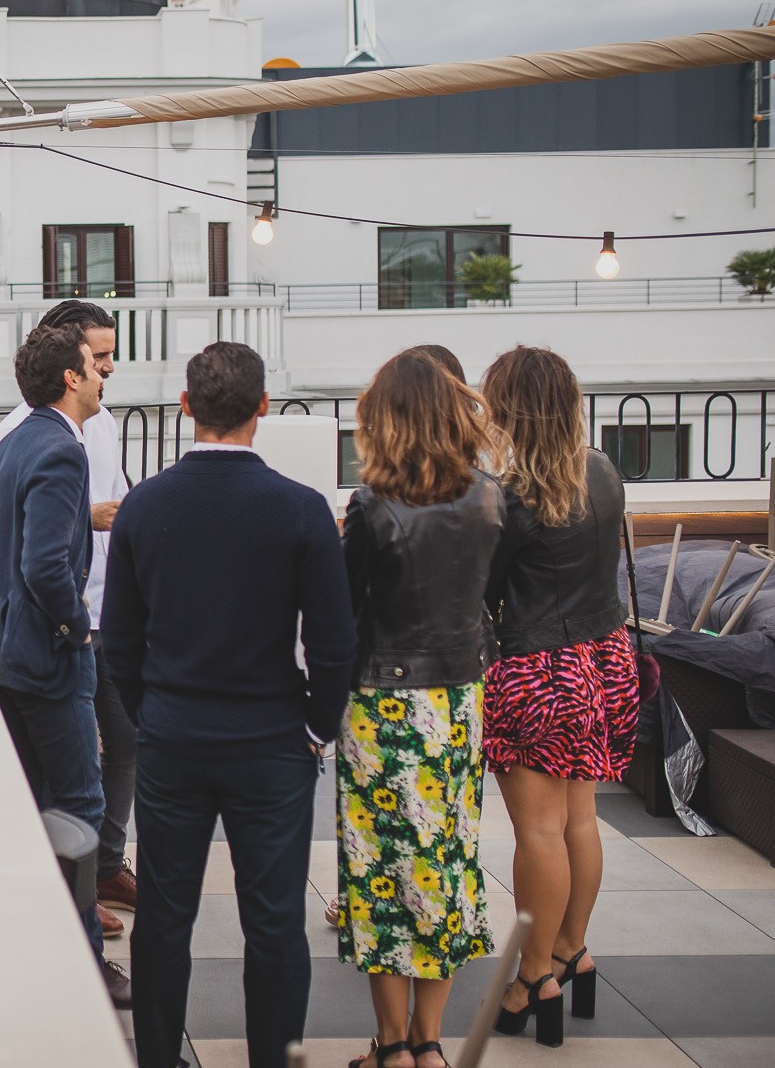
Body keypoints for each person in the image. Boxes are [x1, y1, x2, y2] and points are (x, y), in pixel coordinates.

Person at [102, 340, 356, 1068]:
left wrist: (153, 712)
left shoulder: (143, 507)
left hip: (174, 738)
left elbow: (119, 641)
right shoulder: (303, 511)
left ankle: (158, 1058)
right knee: (275, 925)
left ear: (186, 408)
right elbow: (334, 642)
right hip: (273, 739)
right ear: (263, 409)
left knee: (165, 918)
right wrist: (316, 727)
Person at [336, 349, 505, 1068]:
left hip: (381, 705)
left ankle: (392, 1043)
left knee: (378, 872)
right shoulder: (489, 496)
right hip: (461, 698)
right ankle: (432, 1042)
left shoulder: (371, 507)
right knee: (446, 860)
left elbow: (345, 617)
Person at [0, 322, 127, 1003]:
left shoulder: (19, 438)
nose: (102, 374)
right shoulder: (63, 448)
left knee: (34, 803)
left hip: (2, 650)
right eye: (96, 363)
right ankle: (81, 961)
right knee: (80, 807)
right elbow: (42, 563)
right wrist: (77, 627)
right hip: (44, 656)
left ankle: (36, 941)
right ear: (71, 376)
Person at [481, 346, 638, 1048]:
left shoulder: (510, 495)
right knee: (579, 819)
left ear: (509, 407)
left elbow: (485, 592)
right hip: (603, 657)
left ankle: (534, 974)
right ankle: (574, 947)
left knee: (537, 831)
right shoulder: (601, 467)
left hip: (539, 669)